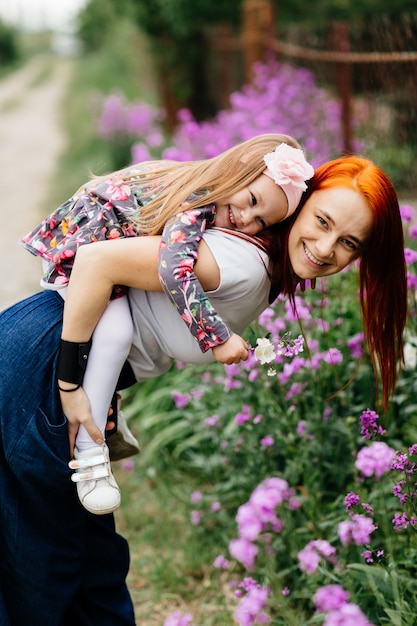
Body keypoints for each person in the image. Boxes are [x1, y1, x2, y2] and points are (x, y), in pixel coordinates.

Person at [0, 155, 407, 626]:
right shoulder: (242, 262)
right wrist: (71, 385)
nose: (324, 247)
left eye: (348, 243)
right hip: (45, 367)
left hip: (39, 351)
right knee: (42, 565)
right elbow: (97, 261)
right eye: (321, 221)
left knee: (90, 563)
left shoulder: (254, 250)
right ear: (300, 202)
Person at [20, 134, 314, 515]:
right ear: (238, 171)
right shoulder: (200, 201)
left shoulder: (209, 192)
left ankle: (103, 404)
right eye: (253, 201)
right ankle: (90, 453)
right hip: (85, 247)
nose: (247, 220)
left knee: (116, 333)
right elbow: (174, 270)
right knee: (116, 334)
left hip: (105, 242)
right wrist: (217, 337)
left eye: (261, 222)